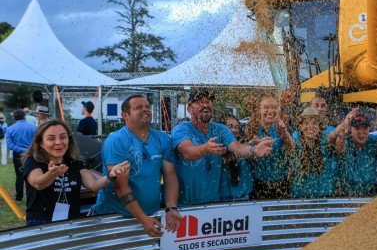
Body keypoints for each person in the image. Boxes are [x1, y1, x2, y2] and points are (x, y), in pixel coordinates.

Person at [93, 95, 180, 238]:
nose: (146, 110)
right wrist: (143, 219)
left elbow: (170, 175)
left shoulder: (163, 139)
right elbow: (121, 187)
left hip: (150, 214)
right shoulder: (116, 141)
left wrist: (171, 208)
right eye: (139, 107)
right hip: (115, 216)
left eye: (147, 107)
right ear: (125, 115)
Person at [171, 89, 272, 206]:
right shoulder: (182, 129)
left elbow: (237, 148)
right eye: (199, 102)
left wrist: (253, 150)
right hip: (185, 205)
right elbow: (187, 152)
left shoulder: (220, 129)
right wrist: (205, 148)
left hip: (214, 203)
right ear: (189, 109)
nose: (205, 105)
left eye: (208, 101)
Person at [22, 120, 130, 226]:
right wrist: (51, 174)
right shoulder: (33, 161)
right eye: (51, 138)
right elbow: (38, 183)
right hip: (41, 224)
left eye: (63, 137)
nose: (58, 142)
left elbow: (94, 185)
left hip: (71, 223)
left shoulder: (75, 163)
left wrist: (111, 175)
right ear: (41, 143)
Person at [332, 111, 377, 197]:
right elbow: (339, 148)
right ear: (350, 129)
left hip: (368, 193)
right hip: (344, 194)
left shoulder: (372, 140)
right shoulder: (346, 140)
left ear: (369, 129)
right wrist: (342, 132)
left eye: (365, 128)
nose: (361, 132)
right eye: (357, 128)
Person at [245, 94, 295, 199]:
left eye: (274, 107)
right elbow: (243, 152)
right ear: (259, 109)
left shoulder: (283, 127)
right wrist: (252, 144)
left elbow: (292, 148)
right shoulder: (251, 128)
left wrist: (284, 132)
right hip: (258, 184)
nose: (270, 111)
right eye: (266, 107)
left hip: (281, 183)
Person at [290, 106, 339, 198]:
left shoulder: (325, 139)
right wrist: (283, 129)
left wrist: (344, 123)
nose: (310, 126)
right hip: (300, 196)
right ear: (300, 127)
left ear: (319, 126)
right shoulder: (296, 140)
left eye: (314, 123)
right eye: (306, 123)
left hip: (325, 195)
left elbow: (334, 134)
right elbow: (288, 140)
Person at [220, 115, 254, 201]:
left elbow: (252, 160)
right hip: (222, 201)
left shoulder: (244, 146)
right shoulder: (216, 148)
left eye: (236, 127)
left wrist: (252, 145)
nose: (234, 130)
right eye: (229, 127)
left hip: (244, 198)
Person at [6, 109, 37, 201]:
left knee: (19, 175)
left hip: (18, 154)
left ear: (14, 117)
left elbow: (10, 145)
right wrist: (28, 150)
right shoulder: (33, 128)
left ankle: (19, 197)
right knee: (32, 173)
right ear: (24, 116)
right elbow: (37, 141)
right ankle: (31, 195)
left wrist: (21, 150)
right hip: (31, 153)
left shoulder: (10, 129)